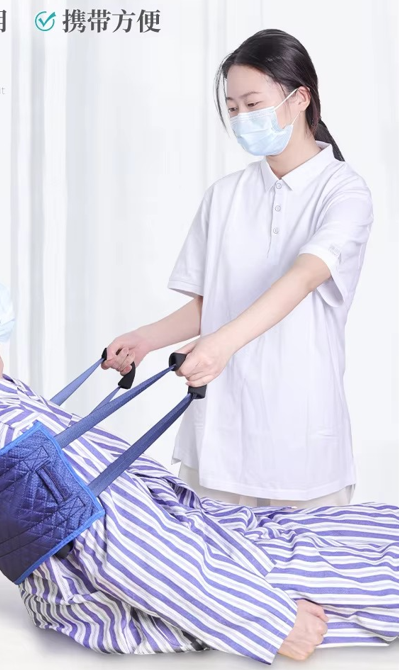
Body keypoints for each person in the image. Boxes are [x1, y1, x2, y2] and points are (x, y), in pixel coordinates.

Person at [0, 233, 398, 664]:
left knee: (373, 525)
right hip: (163, 584)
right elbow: (128, 553)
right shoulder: (4, 433)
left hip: (185, 538)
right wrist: (269, 621)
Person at [104, 29, 374, 509]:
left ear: (300, 99)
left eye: (253, 104)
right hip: (217, 439)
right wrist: (146, 339)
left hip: (301, 443)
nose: (242, 118)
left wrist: (221, 345)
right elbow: (212, 303)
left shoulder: (344, 192)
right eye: (232, 108)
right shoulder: (225, 195)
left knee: (305, 560)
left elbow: (304, 277)